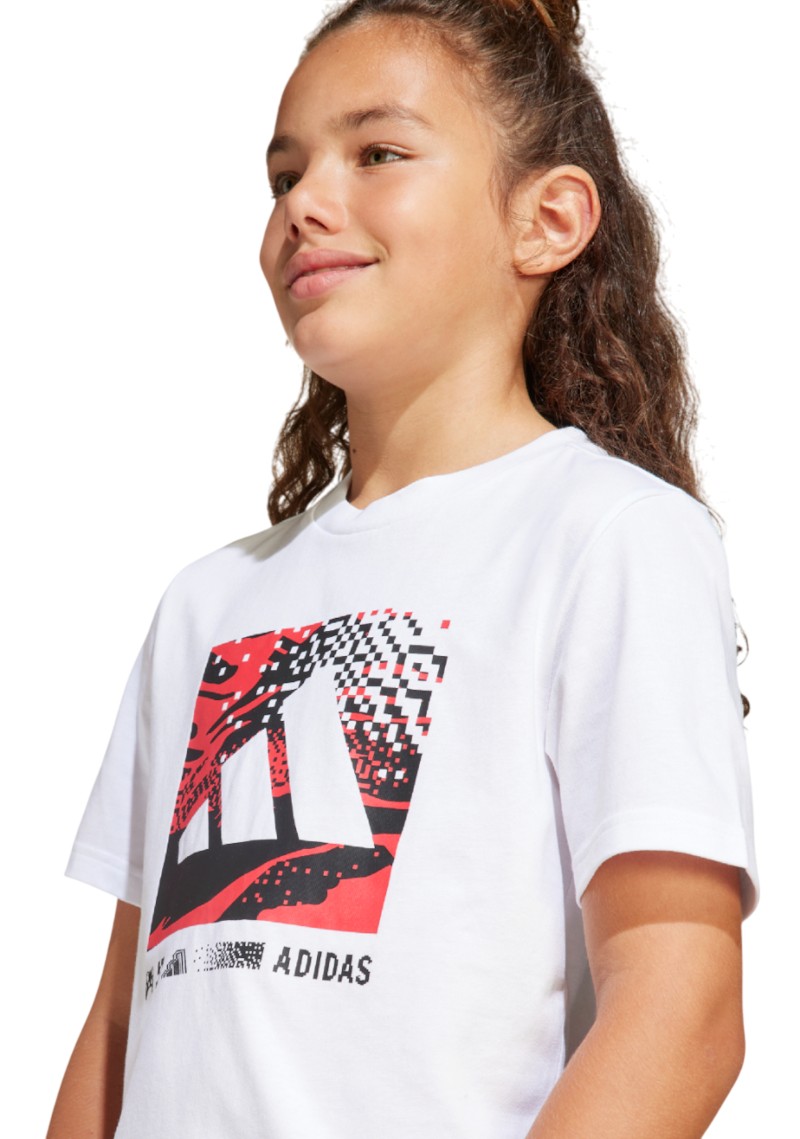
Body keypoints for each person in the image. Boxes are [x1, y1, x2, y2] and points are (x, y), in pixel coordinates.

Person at [47, 1, 758, 1136]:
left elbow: (680, 1010)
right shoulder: (206, 602)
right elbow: (123, 1022)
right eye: (285, 174)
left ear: (547, 220)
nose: (304, 203)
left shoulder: (609, 537)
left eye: (377, 153)